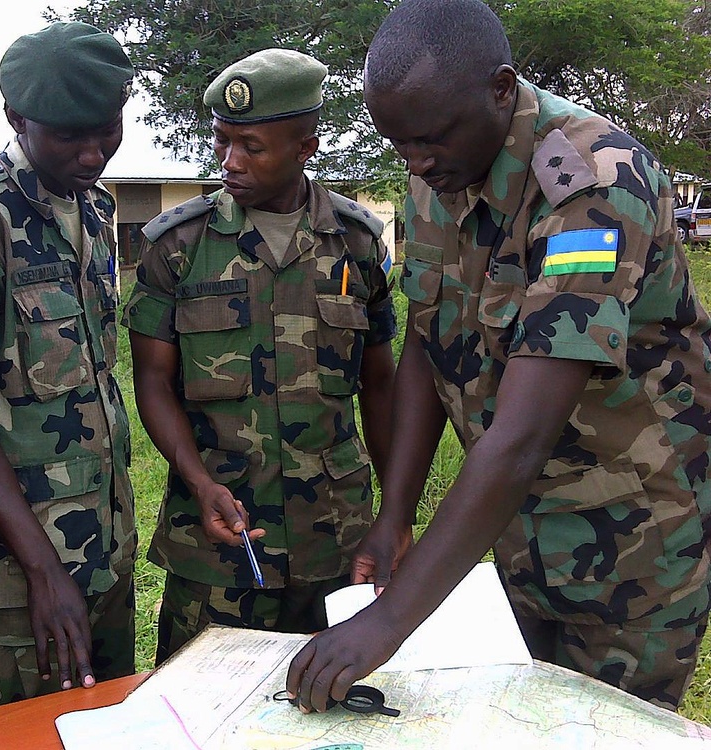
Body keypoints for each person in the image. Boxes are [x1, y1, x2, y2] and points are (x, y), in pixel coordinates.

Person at [287, 0, 711, 713]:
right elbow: (429, 339)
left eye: (430, 139)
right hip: (521, 532)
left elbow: (521, 438)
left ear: (502, 87)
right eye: (398, 145)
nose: (416, 162)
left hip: (635, 543)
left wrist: (388, 623)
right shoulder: (439, 174)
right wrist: (397, 514)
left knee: (598, 728)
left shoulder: (592, 186)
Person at [124, 48, 397, 664]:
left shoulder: (356, 243)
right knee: (198, 710)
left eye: (252, 146)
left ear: (306, 146)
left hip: (335, 537)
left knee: (332, 708)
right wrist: (197, 481)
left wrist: (393, 513)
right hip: (218, 540)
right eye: (223, 142)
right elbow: (152, 381)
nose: (230, 163)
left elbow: (381, 383)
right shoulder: (179, 246)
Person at [0, 22, 137, 708]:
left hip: (107, 549)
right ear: (16, 119)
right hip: (17, 575)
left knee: (107, 725)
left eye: (107, 130)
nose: (93, 151)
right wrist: (44, 573)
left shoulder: (95, 207)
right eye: (70, 135)